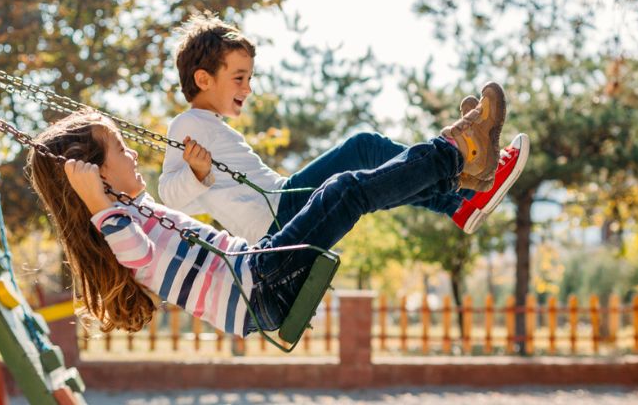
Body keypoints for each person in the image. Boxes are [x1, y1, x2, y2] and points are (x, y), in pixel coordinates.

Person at [27, 88, 506, 337]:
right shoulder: (116, 226)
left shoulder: (128, 211)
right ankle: (454, 155)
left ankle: (457, 176)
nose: (133, 156)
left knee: (346, 187)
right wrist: (94, 201)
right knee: (344, 190)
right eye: (121, 151)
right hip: (257, 285)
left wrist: (197, 174)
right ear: (97, 176)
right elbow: (138, 253)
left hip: (257, 271)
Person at [158, 13, 529, 242]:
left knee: (371, 172)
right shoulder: (187, 124)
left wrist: (199, 173)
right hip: (276, 217)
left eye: (250, 77)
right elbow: (169, 198)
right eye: (239, 77)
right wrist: (196, 172)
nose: (248, 88)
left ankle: (461, 200)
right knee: (364, 147)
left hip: (279, 206)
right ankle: (465, 182)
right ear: (204, 79)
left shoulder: (206, 124)